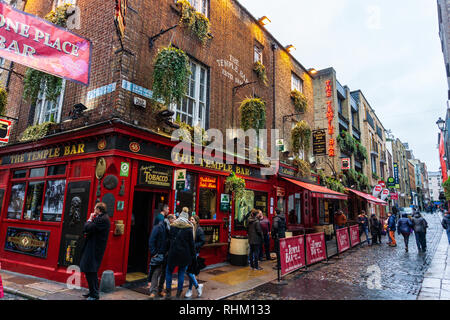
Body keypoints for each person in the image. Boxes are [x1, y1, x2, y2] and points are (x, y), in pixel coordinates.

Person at [79, 202, 111, 300]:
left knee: (90, 270)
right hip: (93, 247)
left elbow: (87, 227)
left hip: (94, 249)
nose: (93, 211)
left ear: (99, 210)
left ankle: (94, 295)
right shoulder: (101, 218)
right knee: (90, 270)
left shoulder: (102, 219)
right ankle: (92, 291)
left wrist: (89, 218)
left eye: (95, 209)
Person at [165, 207, 195, 299]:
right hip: (184, 255)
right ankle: (178, 293)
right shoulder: (189, 228)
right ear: (187, 217)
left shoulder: (173, 226)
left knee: (169, 271)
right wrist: (193, 256)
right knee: (181, 273)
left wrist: (166, 251)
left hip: (173, 253)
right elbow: (191, 244)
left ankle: (168, 292)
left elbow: (169, 240)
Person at [147, 213, 175, 299]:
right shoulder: (159, 227)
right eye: (174, 219)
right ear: (170, 220)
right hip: (159, 254)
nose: (175, 221)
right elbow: (152, 240)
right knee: (156, 272)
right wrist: (153, 252)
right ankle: (153, 291)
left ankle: (159, 290)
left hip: (166, 255)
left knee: (163, 274)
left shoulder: (171, 229)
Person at [185, 215, 205, 298]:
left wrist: (194, 246)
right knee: (190, 271)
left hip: (195, 253)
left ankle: (191, 289)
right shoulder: (189, 229)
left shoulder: (199, 230)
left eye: (192, 220)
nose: (191, 221)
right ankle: (196, 287)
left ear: (196, 221)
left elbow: (202, 241)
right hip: (188, 253)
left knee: (189, 271)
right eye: (190, 219)